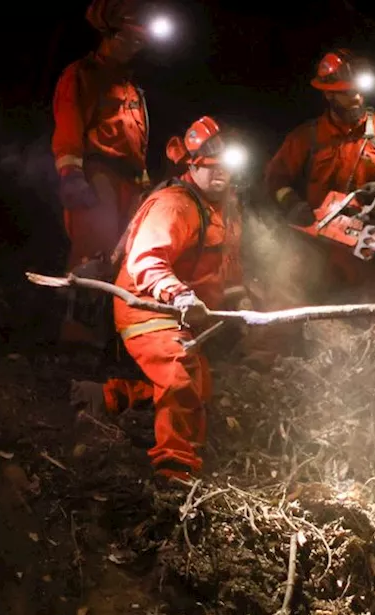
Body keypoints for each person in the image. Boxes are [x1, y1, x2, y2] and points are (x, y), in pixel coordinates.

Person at [74, 117, 245, 481]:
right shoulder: (174, 204)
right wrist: (180, 294)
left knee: (200, 389)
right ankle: (175, 470)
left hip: (184, 312)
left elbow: (227, 264)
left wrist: (238, 301)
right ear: (191, 166)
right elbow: (145, 261)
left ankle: (110, 397)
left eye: (224, 169)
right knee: (179, 376)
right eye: (208, 168)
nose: (219, 176)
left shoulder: (226, 209)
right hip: (145, 307)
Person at [263, 48, 375, 304]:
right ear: (328, 94)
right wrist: (292, 204)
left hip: (372, 242)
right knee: (288, 301)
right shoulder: (307, 137)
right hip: (315, 246)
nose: (357, 97)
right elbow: (275, 178)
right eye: (347, 93)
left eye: (359, 90)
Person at [52, 0, 153, 345]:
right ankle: (76, 337)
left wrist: (144, 185)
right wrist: (71, 173)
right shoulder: (82, 75)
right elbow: (69, 124)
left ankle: (110, 335)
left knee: (123, 256)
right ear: (111, 34)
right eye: (131, 38)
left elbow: (137, 143)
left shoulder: (131, 88)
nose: (137, 45)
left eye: (141, 40)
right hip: (99, 173)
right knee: (92, 252)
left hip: (129, 181)